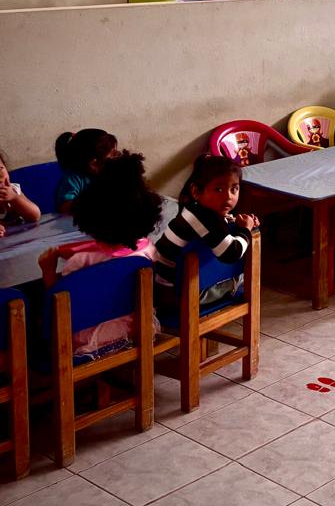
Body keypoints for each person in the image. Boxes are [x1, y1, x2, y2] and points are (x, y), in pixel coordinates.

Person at [38, 151, 161, 359]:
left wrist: (48, 271)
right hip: (136, 329)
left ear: (89, 218)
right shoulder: (147, 251)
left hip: (88, 341)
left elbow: (59, 308)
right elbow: (113, 255)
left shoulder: (80, 263)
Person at [154, 154, 259, 305]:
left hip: (175, 286)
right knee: (242, 276)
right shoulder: (204, 219)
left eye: (234, 189)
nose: (228, 196)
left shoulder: (196, 210)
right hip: (175, 293)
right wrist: (245, 230)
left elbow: (218, 227)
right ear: (196, 192)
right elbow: (232, 253)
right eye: (219, 189)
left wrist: (237, 223)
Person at [53, 128, 119, 214]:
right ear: (94, 164)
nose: (117, 156)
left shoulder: (109, 174)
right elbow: (64, 208)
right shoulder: (73, 179)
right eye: (112, 155)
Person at [0, 147, 43, 235]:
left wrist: (15, 197)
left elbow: (35, 216)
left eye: (0, 168)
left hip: (22, 237)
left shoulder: (14, 190)